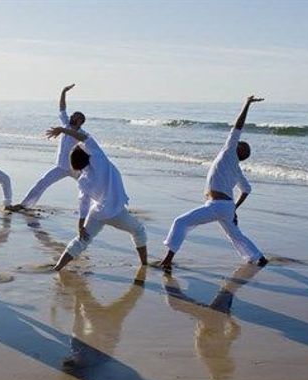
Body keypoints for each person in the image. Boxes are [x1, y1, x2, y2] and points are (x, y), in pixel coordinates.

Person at [158, 96, 270, 273]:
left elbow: (238, 126)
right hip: (225, 207)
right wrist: (234, 209)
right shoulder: (236, 169)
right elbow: (247, 190)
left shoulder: (229, 153)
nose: (237, 142)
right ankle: (259, 258)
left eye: (240, 144)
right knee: (236, 236)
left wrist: (247, 104)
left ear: (238, 150)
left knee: (180, 222)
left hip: (217, 206)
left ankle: (167, 260)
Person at [48, 126, 148, 271]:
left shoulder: (82, 178)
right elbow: (85, 137)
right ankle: (144, 264)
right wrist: (63, 130)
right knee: (138, 231)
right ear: (88, 154)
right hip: (116, 212)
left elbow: (84, 202)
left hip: (97, 213)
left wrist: (81, 225)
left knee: (82, 241)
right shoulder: (100, 160)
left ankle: (58, 267)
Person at [13, 84, 86, 210]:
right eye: (73, 115)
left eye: (75, 116)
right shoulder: (66, 125)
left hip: (75, 169)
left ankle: (104, 207)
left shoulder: (82, 134)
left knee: (88, 187)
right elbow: (62, 108)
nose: (72, 116)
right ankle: (24, 205)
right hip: (60, 166)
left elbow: (85, 142)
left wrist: (62, 130)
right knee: (42, 183)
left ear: (79, 121)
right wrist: (63, 91)